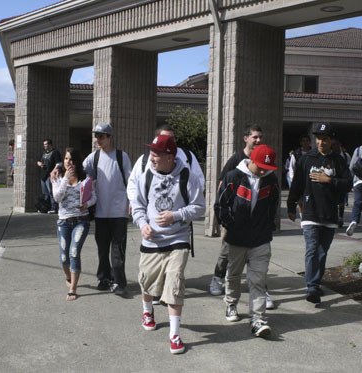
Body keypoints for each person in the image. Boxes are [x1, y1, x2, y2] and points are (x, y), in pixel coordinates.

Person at [131, 134, 205, 354]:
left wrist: (176, 215)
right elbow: (137, 206)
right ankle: (147, 311)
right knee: (146, 281)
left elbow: (199, 207)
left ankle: (174, 335)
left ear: (170, 156)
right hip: (152, 239)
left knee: (175, 283)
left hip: (178, 238)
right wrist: (142, 223)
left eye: (156, 154)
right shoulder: (146, 176)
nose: (152, 157)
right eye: (151, 153)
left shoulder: (187, 176)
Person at [215, 144, 279, 337]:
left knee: (258, 279)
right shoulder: (233, 177)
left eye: (266, 168)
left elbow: (273, 206)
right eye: (259, 166)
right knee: (233, 275)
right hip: (236, 238)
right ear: (251, 160)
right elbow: (221, 205)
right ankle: (231, 303)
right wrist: (230, 225)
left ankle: (258, 319)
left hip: (260, 239)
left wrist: (268, 226)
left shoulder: (271, 180)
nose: (262, 171)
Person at [208, 125, 275, 310]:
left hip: (259, 234)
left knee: (258, 272)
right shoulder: (235, 163)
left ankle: (260, 305)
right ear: (246, 138)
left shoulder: (269, 175)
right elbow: (223, 191)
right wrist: (228, 221)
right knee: (227, 258)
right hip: (236, 228)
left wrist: (268, 225)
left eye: (261, 137)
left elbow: (273, 203)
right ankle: (218, 280)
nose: (258, 140)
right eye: (255, 137)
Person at [287, 123, 352, 305]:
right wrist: (291, 205)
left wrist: (329, 180)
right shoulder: (306, 159)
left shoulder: (338, 161)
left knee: (322, 252)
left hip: (329, 214)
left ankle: (315, 281)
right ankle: (312, 286)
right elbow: (297, 184)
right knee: (312, 249)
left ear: (331, 141)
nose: (321, 142)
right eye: (318, 138)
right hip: (310, 212)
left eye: (325, 139)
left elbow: (348, 184)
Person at [82, 123, 132, 297]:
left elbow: (130, 181)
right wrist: (59, 169)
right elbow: (80, 174)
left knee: (118, 249)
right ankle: (104, 278)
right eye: (96, 136)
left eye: (102, 136)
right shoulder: (93, 158)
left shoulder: (121, 156)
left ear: (110, 137)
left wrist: (132, 202)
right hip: (101, 212)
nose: (98, 139)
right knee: (102, 249)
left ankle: (119, 281)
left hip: (119, 211)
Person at [52, 148, 96, 301]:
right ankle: (68, 276)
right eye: (65, 159)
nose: (68, 162)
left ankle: (73, 289)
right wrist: (65, 178)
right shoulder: (57, 177)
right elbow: (57, 197)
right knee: (64, 257)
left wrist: (87, 204)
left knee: (74, 252)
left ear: (76, 161)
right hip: (63, 222)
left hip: (81, 221)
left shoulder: (86, 178)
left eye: (71, 159)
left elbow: (94, 197)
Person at [37, 138, 62, 214]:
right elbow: (38, 161)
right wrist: (40, 164)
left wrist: (53, 171)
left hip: (50, 176)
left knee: (52, 192)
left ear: (50, 144)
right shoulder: (43, 153)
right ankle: (46, 208)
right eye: (44, 144)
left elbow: (59, 163)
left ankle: (54, 208)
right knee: (45, 194)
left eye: (46, 144)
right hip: (43, 176)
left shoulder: (55, 152)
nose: (45, 146)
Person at [331, 138, 352, 227]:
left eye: (337, 145)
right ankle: (334, 217)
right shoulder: (330, 156)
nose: (335, 147)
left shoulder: (345, 155)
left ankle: (340, 217)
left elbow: (350, 167)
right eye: (333, 145)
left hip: (342, 181)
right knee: (333, 201)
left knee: (341, 201)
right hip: (332, 181)